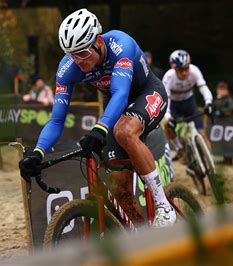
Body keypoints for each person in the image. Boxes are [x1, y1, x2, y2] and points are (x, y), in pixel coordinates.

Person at [19, 8, 176, 227]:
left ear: (99, 41)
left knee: (124, 131)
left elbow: (121, 93)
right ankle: (143, 238)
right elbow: (56, 120)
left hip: (147, 93)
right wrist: (38, 153)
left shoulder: (121, 44)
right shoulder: (68, 68)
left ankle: (163, 205)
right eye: (72, 54)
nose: (78, 60)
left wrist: (101, 128)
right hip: (118, 107)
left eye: (83, 53)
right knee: (119, 186)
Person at [161, 49, 213, 158]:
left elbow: (203, 88)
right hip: (173, 104)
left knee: (202, 133)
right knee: (166, 124)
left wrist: (208, 102)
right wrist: (168, 116)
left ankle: (209, 159)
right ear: (173, 68)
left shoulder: (194, 71)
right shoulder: (168, 77)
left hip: (189, 102)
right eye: (181, 70)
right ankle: (179, 148)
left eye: (186, 68)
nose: (184, 72)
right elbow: (166, 100)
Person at [213, 81, 233, 165]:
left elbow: (231, 108)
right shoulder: (217, 99)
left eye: (223, 90)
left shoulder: (229, 99)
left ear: (226, 90)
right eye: (219, 89)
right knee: (221, 142)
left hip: (228, 124)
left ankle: (230, 159)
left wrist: (221, 112)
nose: (221, 91)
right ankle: (224, 158)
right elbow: (213, 107)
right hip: (219, 125)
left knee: (228, 142)